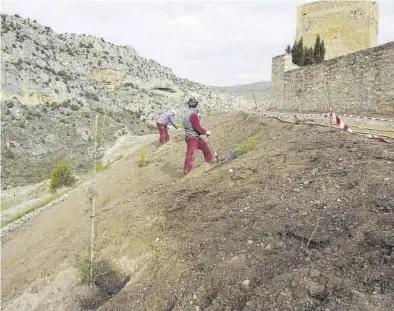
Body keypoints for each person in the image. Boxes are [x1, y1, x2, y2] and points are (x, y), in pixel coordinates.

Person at [183, 96, 214, 175]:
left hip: (193, 136)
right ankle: (187, 171)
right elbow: (197, 127)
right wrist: (205, 132)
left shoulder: (188, 113)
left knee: (205, 147)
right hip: (192, 138)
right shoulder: (193, 114)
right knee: (191, 153)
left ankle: (209, 161)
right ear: (195, 105)